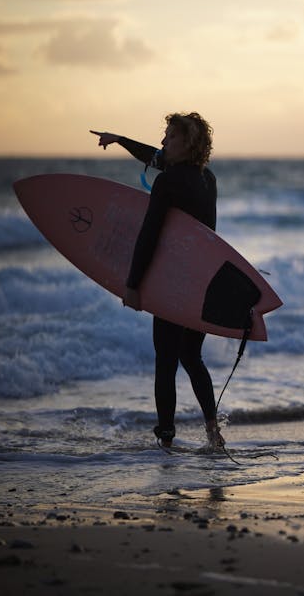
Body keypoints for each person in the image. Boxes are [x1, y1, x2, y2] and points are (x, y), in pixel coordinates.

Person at [92, 113, 225, 451]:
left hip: (173, 283)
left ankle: (166, 440)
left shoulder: (167, 183)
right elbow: (157, 157)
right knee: (192, 357)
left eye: (170, 136)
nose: (164, 141)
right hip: (203, 282)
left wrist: (133, 283)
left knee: (165, 361)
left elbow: (149, 234)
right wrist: (121, 139)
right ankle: (213, 430)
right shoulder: (207, 180)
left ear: (187, 143)